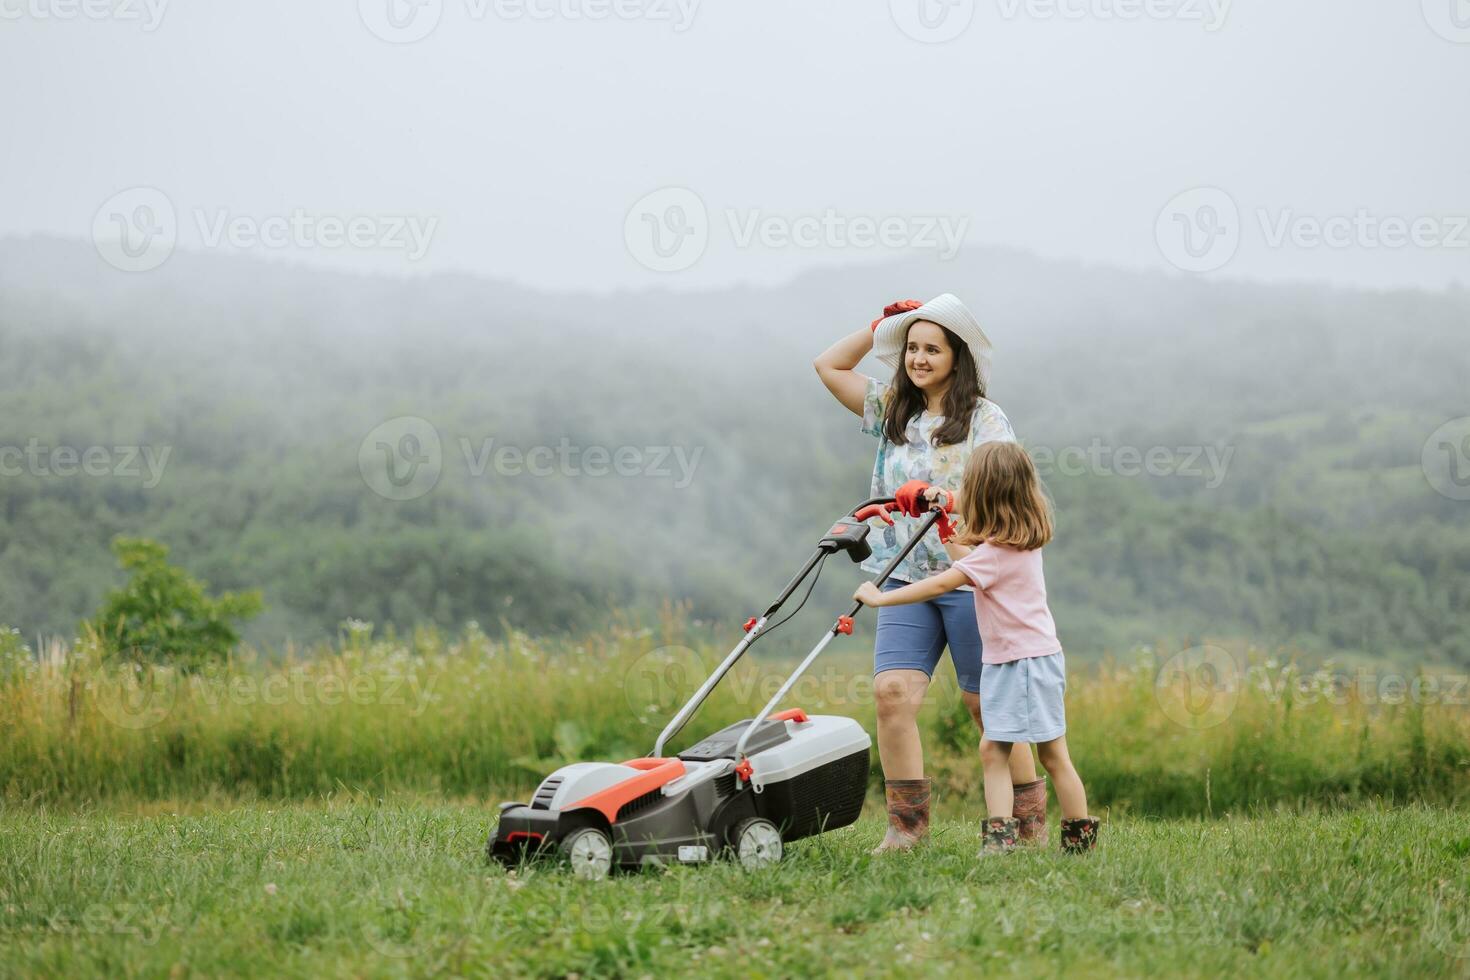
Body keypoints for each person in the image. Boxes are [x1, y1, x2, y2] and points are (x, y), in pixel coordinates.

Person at [814, 294, 1048, 854]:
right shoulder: (893, 407)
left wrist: (944, 497)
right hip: (900, 577)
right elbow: (828, 366)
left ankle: (1029, 822)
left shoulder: (986, 419)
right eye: (911, 348)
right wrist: (880, 327)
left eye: (931, 349)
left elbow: (1000, 485)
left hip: (972, 577)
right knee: (892, 693)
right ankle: (907, 829)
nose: (918, 358)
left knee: (984, 705)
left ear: (956, 356)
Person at [854, 440, 1100, 854]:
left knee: (997, 750)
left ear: (985, 497)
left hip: (1016, 664)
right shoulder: (1021, 545)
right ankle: (1076, 843)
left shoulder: (993, 557)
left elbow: (943, 581)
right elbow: (966, 562)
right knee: (1052, 754)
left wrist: (880, 598)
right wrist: (943, 525)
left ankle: (1003, 840)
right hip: (1039, 658)